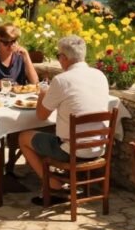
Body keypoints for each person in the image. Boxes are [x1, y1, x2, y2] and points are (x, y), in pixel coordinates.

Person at [18, 36, 110, 206]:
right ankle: (60, 182)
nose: (58, 59)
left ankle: (54, 186)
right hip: (98, 146)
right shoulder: (100, 76)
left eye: (58, 55)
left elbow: (41, 116)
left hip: (72, 150)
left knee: (24, 138)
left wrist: (42, 94)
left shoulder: (62, 80)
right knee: (55, 131)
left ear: (65, 58)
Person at [0, 23, 38, 88]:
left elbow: (35, 82)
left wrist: (26, 56)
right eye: (6, 43)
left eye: (13, 41)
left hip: (19, 96)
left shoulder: (21, 56)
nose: (10, 46)